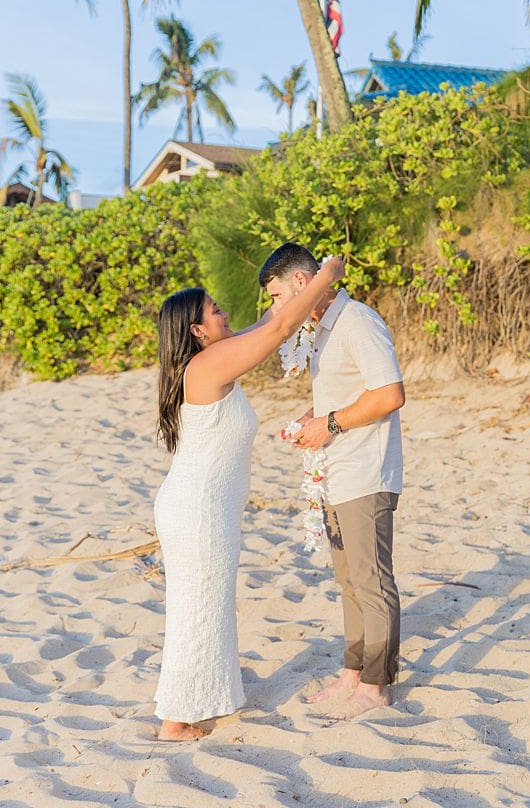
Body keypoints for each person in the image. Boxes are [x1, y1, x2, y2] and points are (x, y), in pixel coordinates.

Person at [152, 256, 346, 741]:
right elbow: (279, 329)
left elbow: (269, 320)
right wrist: (325, 276)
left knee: (208, 606)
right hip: (198, 510)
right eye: (215, 310)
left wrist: (294, 289)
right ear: (197, 331)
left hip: (204, 507)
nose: (225, 314)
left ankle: (200, 701)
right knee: (197, 609)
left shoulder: (215, 355)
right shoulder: (209, 364)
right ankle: (174, 720)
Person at [259, 243, 406, 720]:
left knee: (370, 579)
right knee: (348, 581)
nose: (275, 308)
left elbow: (390, 394)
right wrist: (312, 419)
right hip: (335, 472)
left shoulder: (358, 321)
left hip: (366, 470)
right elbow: (346, 394)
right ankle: (353, 673)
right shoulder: (321, 329)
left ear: (302, 283)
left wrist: (331, 424)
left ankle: (376, 686)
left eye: (277, 296)